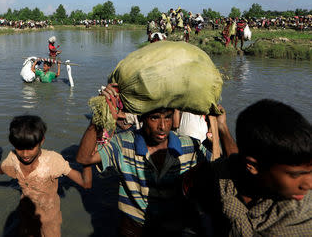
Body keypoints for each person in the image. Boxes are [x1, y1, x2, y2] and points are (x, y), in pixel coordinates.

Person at [76, 83, 221, 236]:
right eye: (154, 118)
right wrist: (98, 117)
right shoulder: (123, 144)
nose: (163, 126)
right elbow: (84, 158)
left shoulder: (189, 146)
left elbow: (217, 168)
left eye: (168, 118)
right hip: (133, 227)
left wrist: (220, 126)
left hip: (174, 227)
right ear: (142, 118)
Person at [183, 99, 311, 236]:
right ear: (253, 167)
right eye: (295, 175)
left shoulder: (303, 210)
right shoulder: (208, 179)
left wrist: (223, 128)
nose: (308, 184)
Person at [0, 115, 92, 237]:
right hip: (26, 213)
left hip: (50, 217)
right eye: (20, 148)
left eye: (31, 148)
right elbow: (1, 169)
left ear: (42, 141)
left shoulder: (53, 161)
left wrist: (87, 161)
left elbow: (85, 183)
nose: (25, 154)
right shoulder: (13, 158)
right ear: (13, 144)